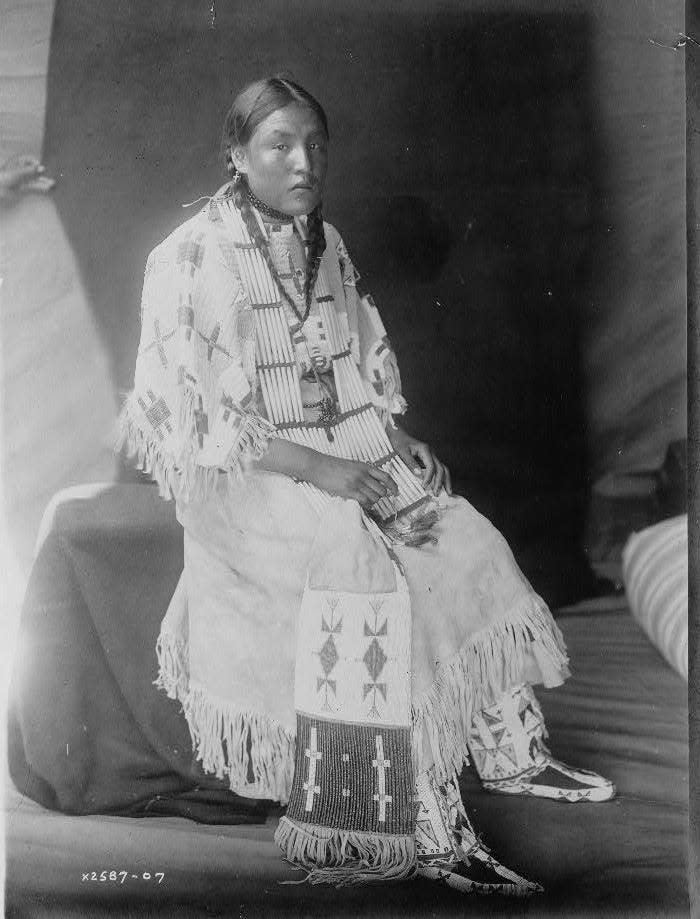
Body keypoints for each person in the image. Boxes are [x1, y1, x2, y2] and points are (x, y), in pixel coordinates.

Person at [118, 77, 614, 894]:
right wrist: (323, 471)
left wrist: (397, 436)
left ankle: (512, 751)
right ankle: (417, 819)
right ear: (238, 155)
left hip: (340, 448)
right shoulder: (189, 256)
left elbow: (354, 364)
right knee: (364, 570)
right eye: (280, 145)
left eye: (315, 143)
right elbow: (199, 422)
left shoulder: (325, 240)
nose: (304, 161)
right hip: (244, 481)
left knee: (462, 533)